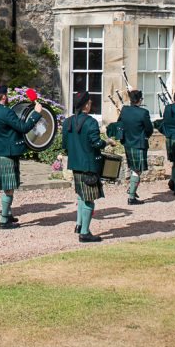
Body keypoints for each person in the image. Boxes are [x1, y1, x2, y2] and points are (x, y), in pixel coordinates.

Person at [0, 84, 42, 229]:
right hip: (8, 154)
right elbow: (23, 128)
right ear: (4, 97)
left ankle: (8, 214)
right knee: (9, 188)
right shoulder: (6, 112)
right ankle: (4, 220)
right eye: (6, 95)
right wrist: (36, 114)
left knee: (7, 186)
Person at [61, 91, 108, 242]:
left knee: (81, 195)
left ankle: (79, 224)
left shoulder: (67, 122)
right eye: (90, 102)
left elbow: (65, 145)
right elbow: (96, 143)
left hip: (75, 164)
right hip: (89, 165)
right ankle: (85, 233)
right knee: (89, 199)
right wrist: (106, 143)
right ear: (86, 104)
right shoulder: (91, 122)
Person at [110, 90, 154, 205]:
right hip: (139, 143)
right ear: (140, 100)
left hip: (127, 142)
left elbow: (119, 124)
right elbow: (149, 129)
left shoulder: (124, 110)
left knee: (134, 168)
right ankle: (131, 196)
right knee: (137, 170)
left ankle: (132, 189)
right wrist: (145, 136)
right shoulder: (144, 112)